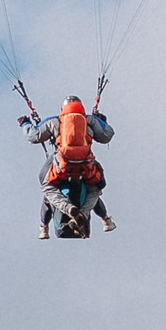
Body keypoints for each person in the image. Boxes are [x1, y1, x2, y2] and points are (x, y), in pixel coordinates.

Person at [25, 92, 114, 241]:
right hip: (86, 168)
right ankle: (99, 219)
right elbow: (107, 135)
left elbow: (34, 136)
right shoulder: (90, 120)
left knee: (47, 188)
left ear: (63, 109)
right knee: (95, 188)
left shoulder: (54, 121)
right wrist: (100, 120)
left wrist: (26, 124)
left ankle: (50, 223)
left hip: (62, 168)